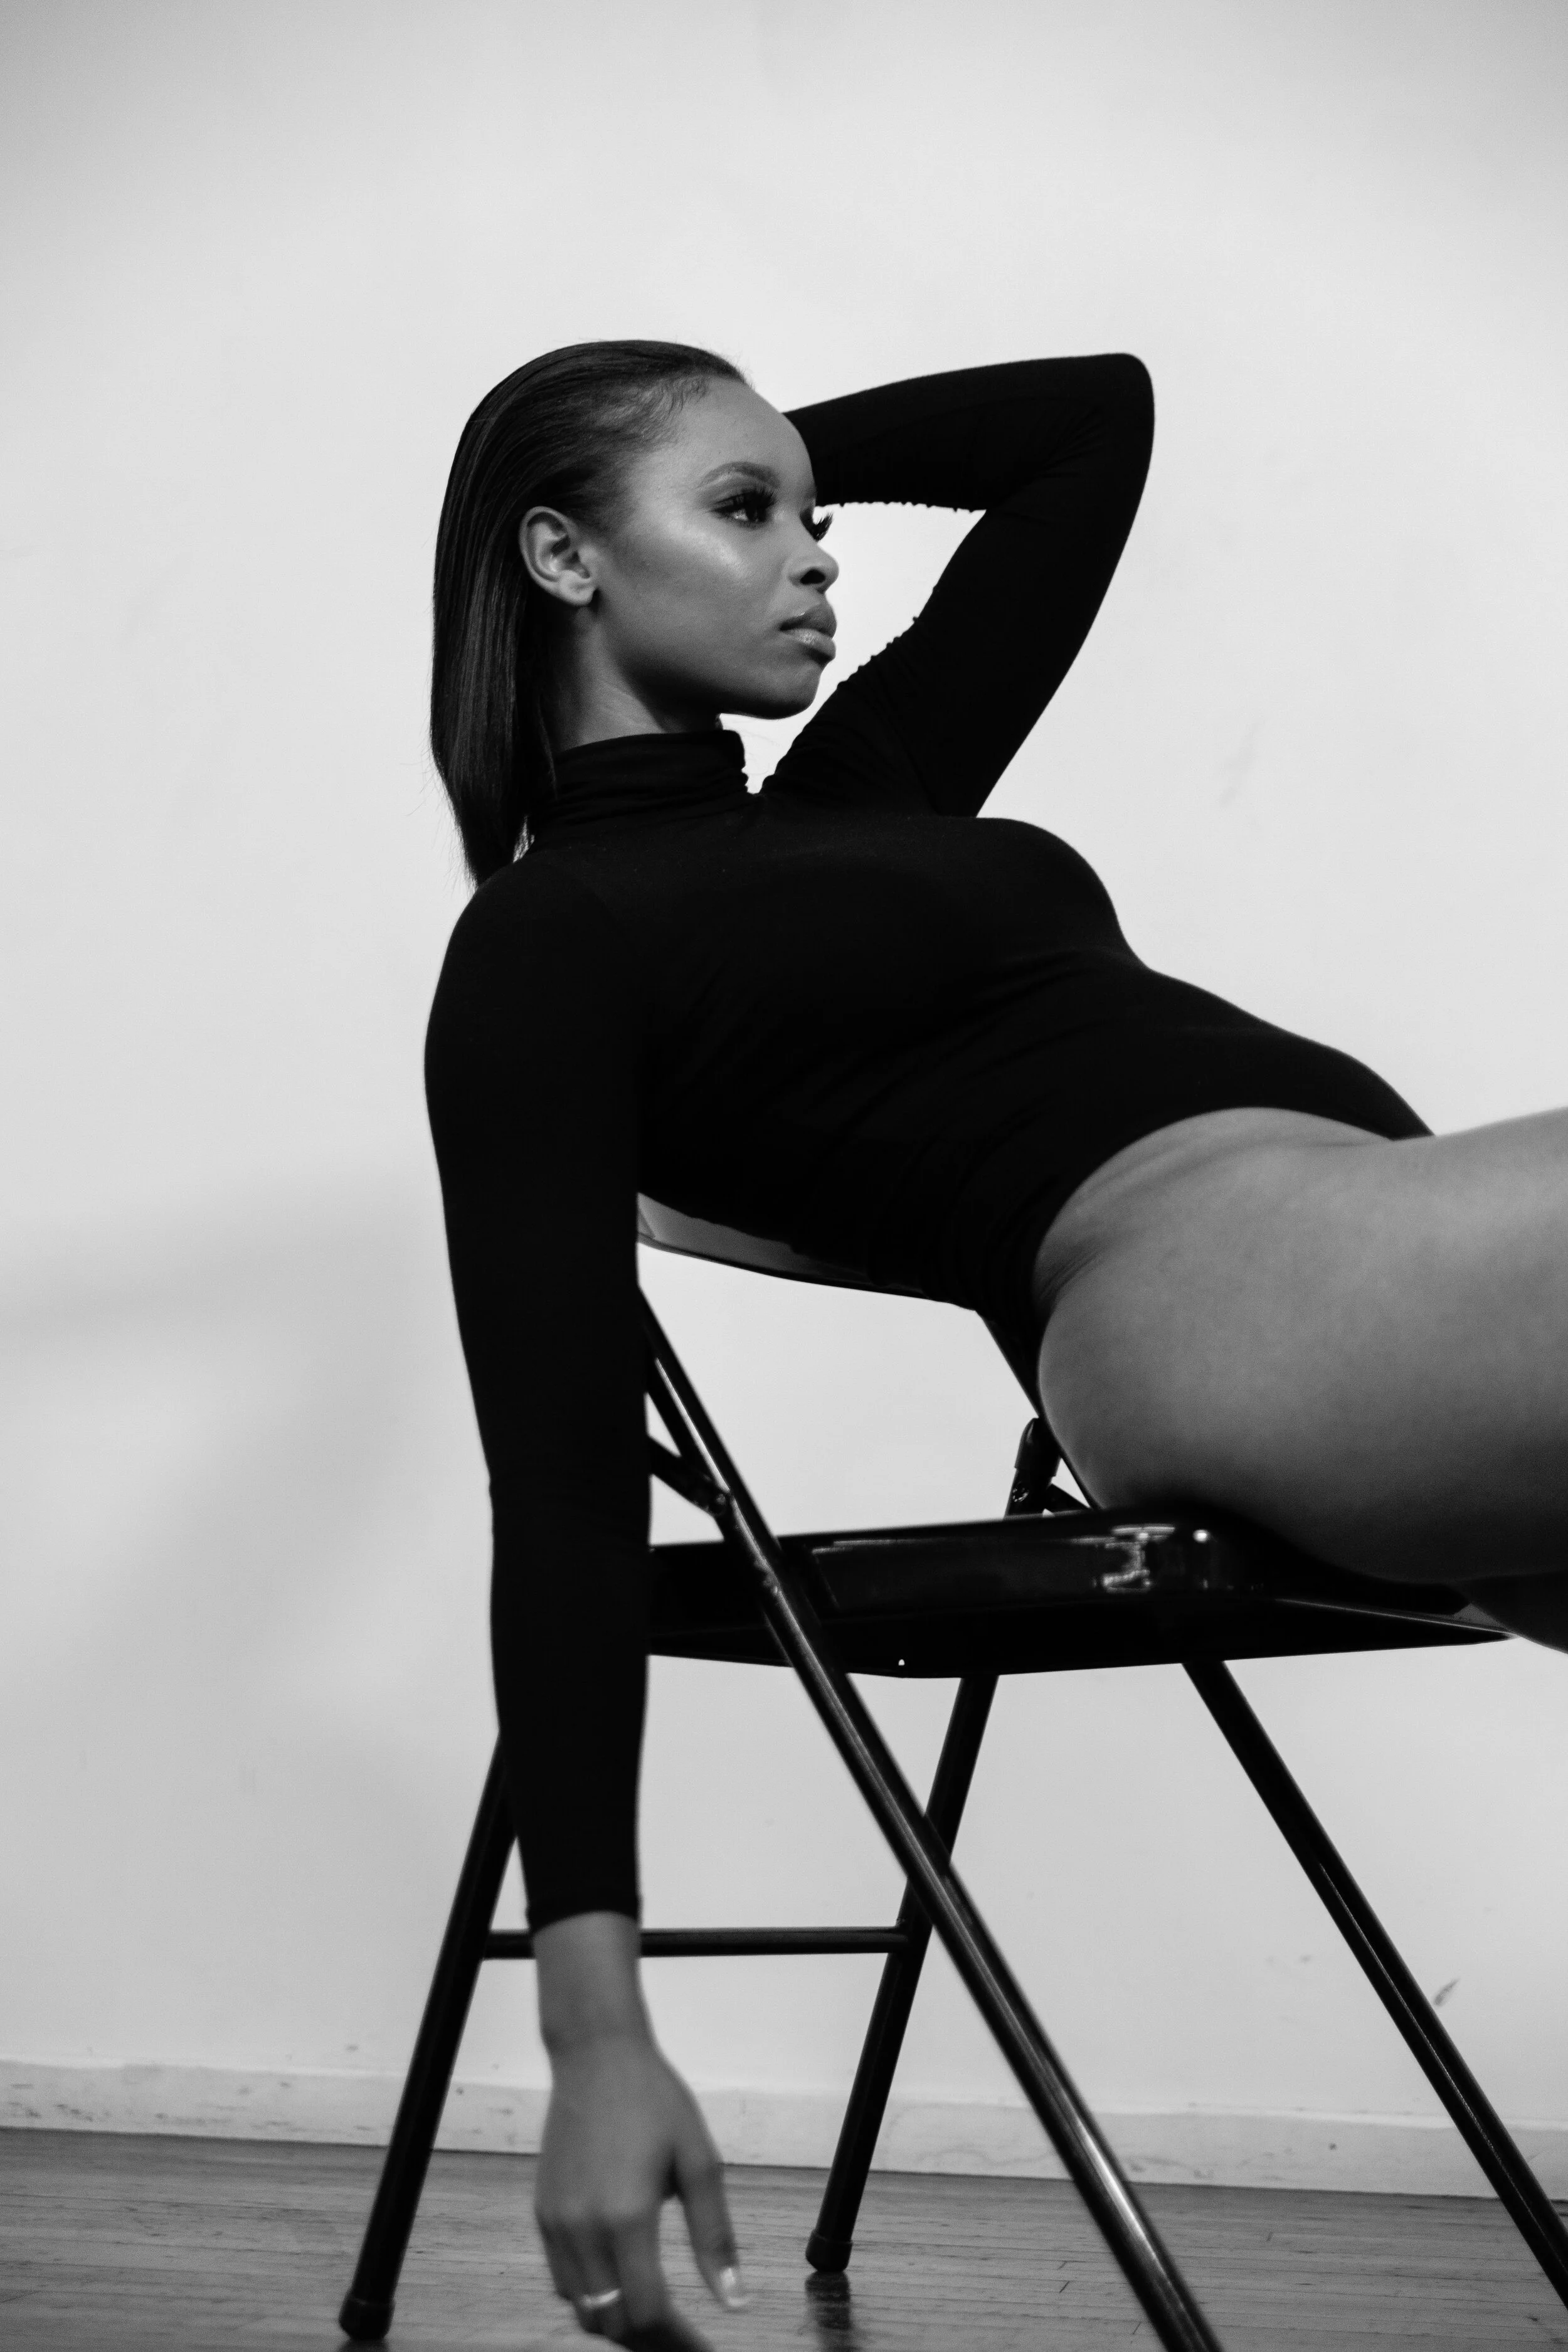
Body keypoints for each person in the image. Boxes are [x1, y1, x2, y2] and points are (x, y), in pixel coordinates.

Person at [423, 340, 1568, 2345]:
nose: (816, 556)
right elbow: (567, 1486)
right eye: (743, 512)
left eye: (811, 513)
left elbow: (1088, 421)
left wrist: (769, 450)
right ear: (562, 556)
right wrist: (594, 2029)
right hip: (1207, 1289)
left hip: (1394, 1284)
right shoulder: (546, 944)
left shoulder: (864, 787)